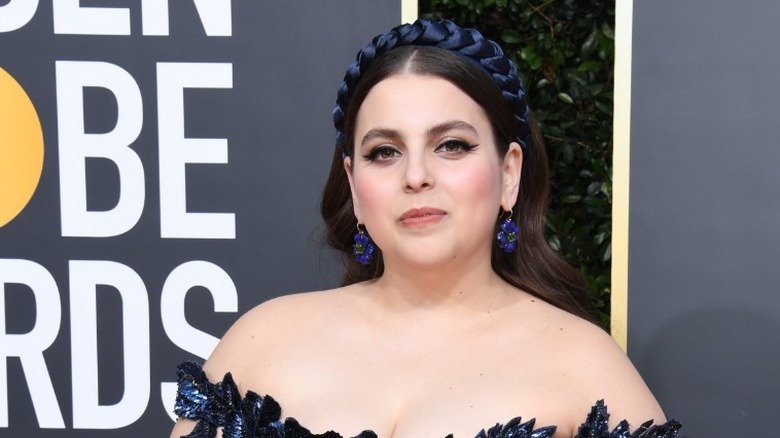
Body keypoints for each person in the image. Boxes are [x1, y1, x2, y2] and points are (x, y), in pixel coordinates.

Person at [170, 19, 681, 438]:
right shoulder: (262, 340)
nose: (416, 176)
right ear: (353, 184)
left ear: (509, 173)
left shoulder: (584, 365)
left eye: (452, 145)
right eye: (384, 152)